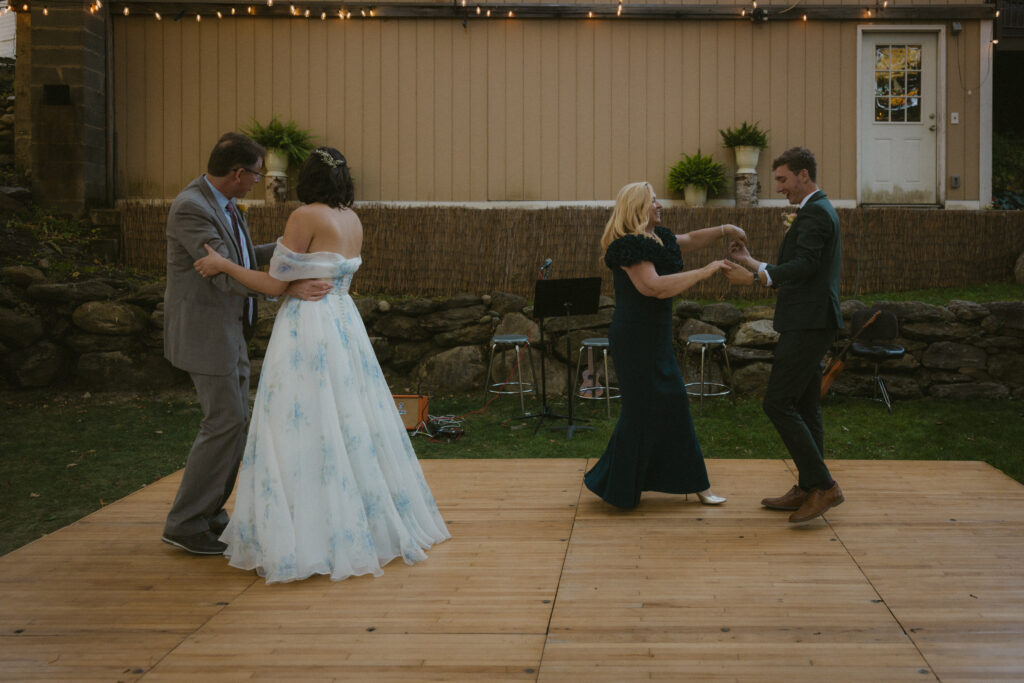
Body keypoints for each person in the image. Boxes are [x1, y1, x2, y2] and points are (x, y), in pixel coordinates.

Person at [193, 146, 450, 583]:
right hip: (344, 325)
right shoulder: (352, 220)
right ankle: (359, 525)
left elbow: (274, 285)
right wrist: (292, 283)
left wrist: (224, 265)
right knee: (348, 421)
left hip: (307, 330)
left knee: (300, 423)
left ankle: (307, 534)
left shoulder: (304, 217)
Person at [162, 132, 331, 556]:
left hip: (230, 330)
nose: (259, 180)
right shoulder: (191, 208)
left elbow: (235, 256)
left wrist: (293, 248)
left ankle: (210, 513)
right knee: (224, 422)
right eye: (256, 174)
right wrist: (284, 286)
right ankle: (184, 523)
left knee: (235, 423)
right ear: (237, 173)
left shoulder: (223, 204)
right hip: (205, 333)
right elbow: (219, 272)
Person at [583, 181, 743, 508]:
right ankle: (619, 487)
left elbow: (690, 239)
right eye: (654, 201)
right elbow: (654, 287)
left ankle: (691, 484)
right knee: (642, 410)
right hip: (634, 337)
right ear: (639, 207)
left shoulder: (658, 239)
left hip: (655, 336)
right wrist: (706, 271)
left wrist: (726, 229)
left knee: (673, 403)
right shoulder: (628, 246)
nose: (660, 205)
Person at [723, 146, 844, 524]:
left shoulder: (815, 215)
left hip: (809, 322)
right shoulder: (815, 210)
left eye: (782, 179)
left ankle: (824, 486)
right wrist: (751, 261)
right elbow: (798, 266)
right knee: (806, 405)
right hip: (808, 319)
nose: (779, 188)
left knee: (777, 403)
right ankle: (809, 485)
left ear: (804, 175)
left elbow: (805, 267)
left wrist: (755, 278)